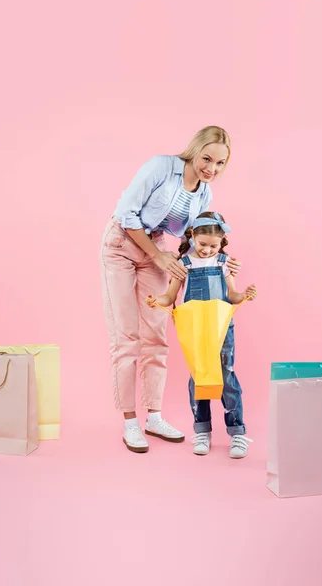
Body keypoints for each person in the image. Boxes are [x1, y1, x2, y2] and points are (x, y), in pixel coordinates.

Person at [100, 126, 241, 454]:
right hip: (122, 243)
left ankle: (154, 416)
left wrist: (223, 262)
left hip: (158, 250)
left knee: (157, 338)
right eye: (207, 158)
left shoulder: (204, 194)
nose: (211, 168)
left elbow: (195, 240)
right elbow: (126, 214)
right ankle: (130, 421)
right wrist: (157, 255)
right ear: (194, 150)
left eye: (220, 164)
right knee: (126, 339)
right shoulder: (160, 167)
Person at [146, 211, 257, 458]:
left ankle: (237, 432)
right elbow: (170, 296)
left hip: (222, 328)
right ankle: (202, 431)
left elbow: (232, 296)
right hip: (194, 329)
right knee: (198, 377)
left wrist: (245, 294)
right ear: (192, 236)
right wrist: (157, 300)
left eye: (213, 246)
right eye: (202, 244)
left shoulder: (224, 263)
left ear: (222, 244)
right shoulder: (183, 264)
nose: (207, 250)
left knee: (226, 375)